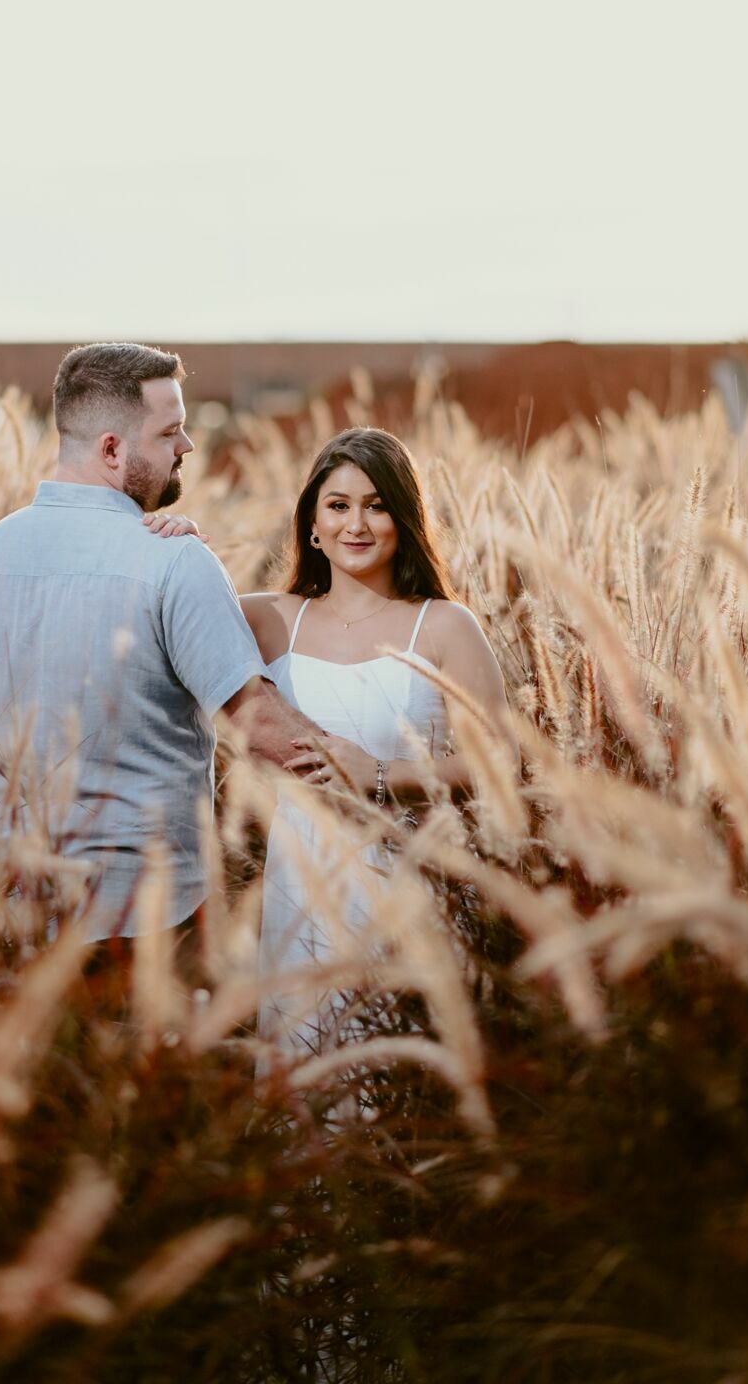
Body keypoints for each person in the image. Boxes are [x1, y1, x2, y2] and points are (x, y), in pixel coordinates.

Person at [0, 341, 316, 945]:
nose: (187, 446)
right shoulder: (174, 561)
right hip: (147, 921)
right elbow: (259, 727)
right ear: (112, 448)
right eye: (171, 432)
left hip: (6, 917)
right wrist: (384, 777)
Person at [239, 426, 518, 1059]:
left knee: (402, 1074)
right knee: (308, 1068)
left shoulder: (444, 624)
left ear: (404, 518)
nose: (355, 524)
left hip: (411, 873)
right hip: (302, 882)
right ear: (313, 521)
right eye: (337, 505)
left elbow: (501, 760)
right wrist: (177, 541)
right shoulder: (269, 618)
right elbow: (165, 608)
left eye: (376, 504)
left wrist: (382, 774)